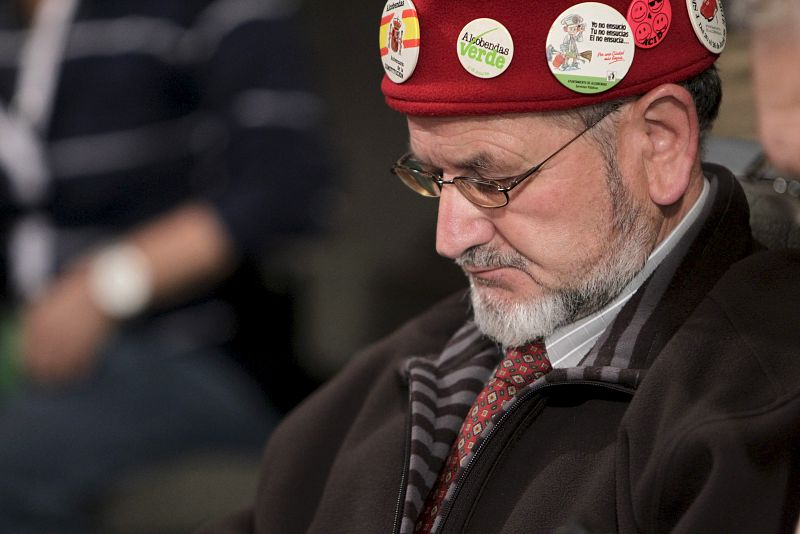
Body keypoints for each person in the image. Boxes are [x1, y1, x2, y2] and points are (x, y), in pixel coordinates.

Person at [203, 0, 800, 533]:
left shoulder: (746, 417)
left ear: (660, 142)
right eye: (432, 177)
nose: (450, 238)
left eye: (491, 180)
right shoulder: (401, 368)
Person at [0, 0, 331, 532]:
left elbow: (287, 181)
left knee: (13, 466)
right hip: (28, 341)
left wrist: (107, 285)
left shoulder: (206, 11)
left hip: (203, 348)